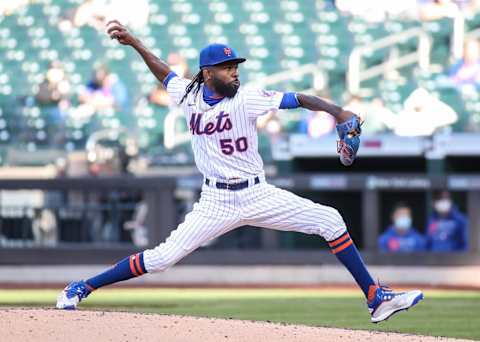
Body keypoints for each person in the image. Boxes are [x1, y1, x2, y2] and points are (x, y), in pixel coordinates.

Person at [56, 20, 423, 323]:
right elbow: (165, 74)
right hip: (214, 200)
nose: (235, 73)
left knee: (329, 219)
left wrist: (339, 112)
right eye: (228, 68)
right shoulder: (188, 95)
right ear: (208, 73)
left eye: (236, 67)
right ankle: (83, 286)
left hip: (257, 193)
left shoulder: (247, 97)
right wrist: (136, 43)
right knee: (163, 258)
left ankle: (376, 297)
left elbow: (298, 99)